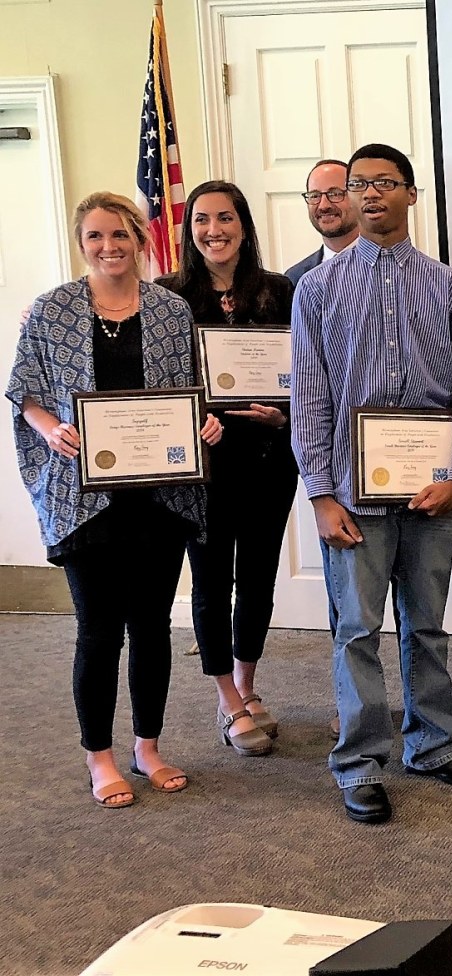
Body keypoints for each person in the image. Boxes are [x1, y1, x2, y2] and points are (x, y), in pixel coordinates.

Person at [291, 143, 452, 825]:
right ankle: (358, 764)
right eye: (358, 184)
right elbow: (311, 400)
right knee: (357, 631)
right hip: (352, 498)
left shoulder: (451, 289)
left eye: (385, 182)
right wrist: (321, 495)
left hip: (433, 493)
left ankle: (433, 745)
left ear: (411, 193)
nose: (370, 194)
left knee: (426, 625)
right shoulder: (317, 291)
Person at [7, 192, 222, 808]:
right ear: (82, 244)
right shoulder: (51, 310)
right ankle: (98, 756)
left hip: (160, 496)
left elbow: (190, 392)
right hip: (85, 500)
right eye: (96, 236)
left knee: (152, 627)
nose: (110, 246)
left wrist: (203, 423)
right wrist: (50, 427)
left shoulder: (171, 310)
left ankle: (147, 747)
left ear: (140, 239)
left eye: (121, 234)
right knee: (99, 631)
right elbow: (24, 392)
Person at [157, 180, 296, 758]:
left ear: (243, 225)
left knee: (259, 577)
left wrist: (284, 415)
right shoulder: (167, 296)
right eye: (201, 220)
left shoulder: (279, 291)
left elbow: (305, 370)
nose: (213, 230)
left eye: (225, 218)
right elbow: (157, 379)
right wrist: (195, 419)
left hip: (269, 457)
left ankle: (246, 682)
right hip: (206, 465)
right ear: (189, 230)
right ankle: (226, 697)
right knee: (212, 582)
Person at [287, 159, 360, 286]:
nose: (324, 206)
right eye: (315, 196)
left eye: (335, 194)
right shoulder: (295, 279)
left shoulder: (387, 266)